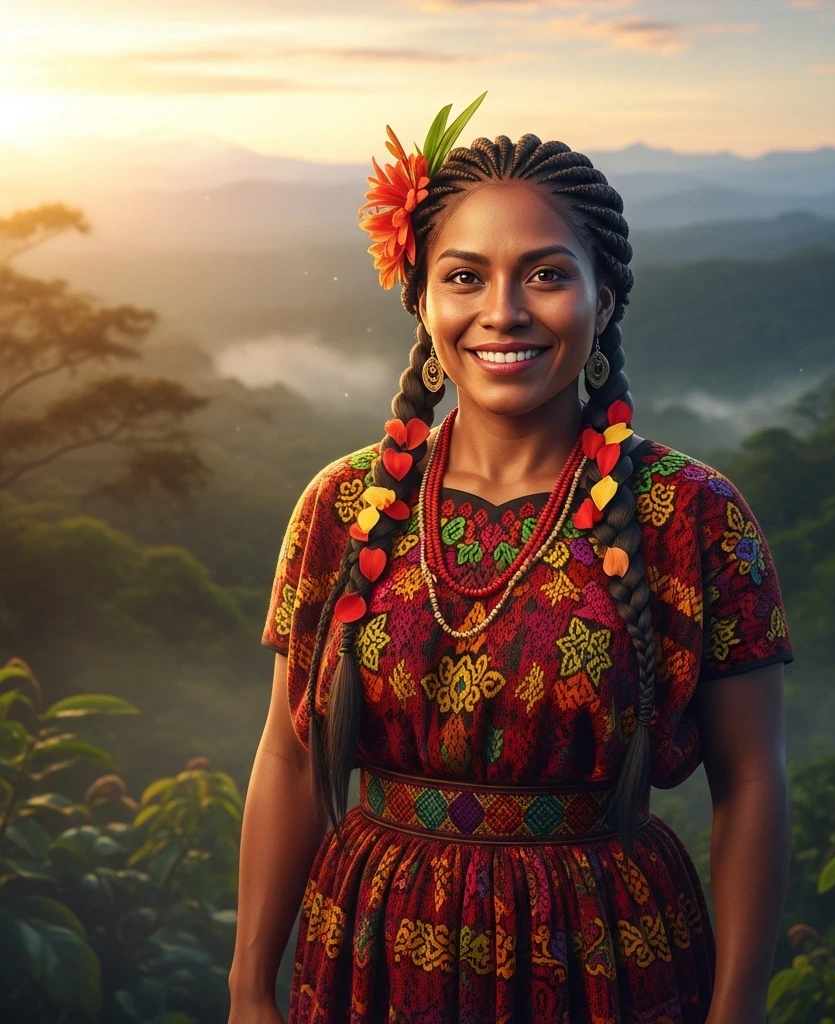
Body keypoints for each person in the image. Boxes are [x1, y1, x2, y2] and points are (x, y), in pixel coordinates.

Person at [228, 95, 794, 1024]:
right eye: (463, 277)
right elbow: (289, 758)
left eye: (543, 275)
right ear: (420, 298)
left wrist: (737, 1008)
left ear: (603, 297)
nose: (502, 312)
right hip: (370, 945)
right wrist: (250, 986)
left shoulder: (692, 514)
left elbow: (753, 781)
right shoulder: (342, 505)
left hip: (604, 952)